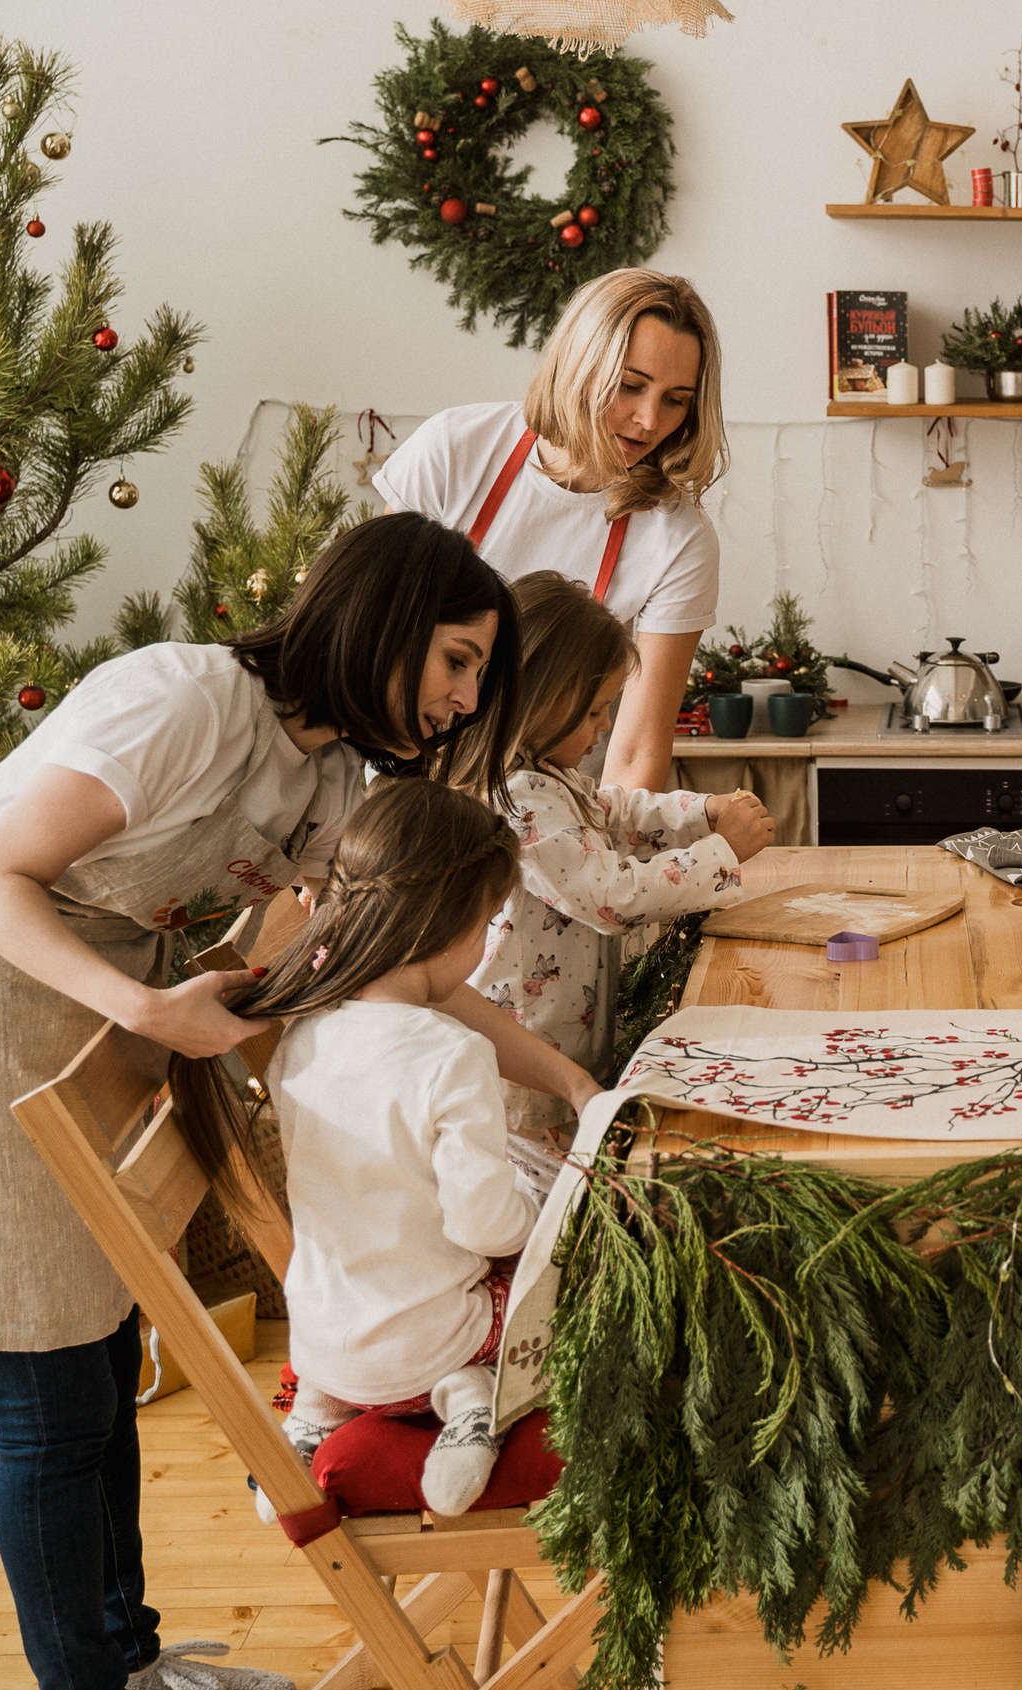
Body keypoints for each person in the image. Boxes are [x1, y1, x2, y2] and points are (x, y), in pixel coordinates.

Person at [0, 512, 568, 1690]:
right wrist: (146, 1013)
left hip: (101, 1031)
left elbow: (390, 965)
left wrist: (559, 1079)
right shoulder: (182, 700)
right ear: (389, 621)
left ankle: (131, 1665)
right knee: (52, 1406)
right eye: (458, 660)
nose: (465, 698)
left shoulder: (332, 774)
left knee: (103, 1368)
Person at [170, 781, 539, 1518]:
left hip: (327, 1345)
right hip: (431, 1347)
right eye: (489, 923)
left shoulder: (300, 1037)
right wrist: (535, 1211)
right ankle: (473, 1402)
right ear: (457, 922)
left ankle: (315, 1415)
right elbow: (484, 1227)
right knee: (550, 1281)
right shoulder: (452, 1053)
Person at [375, 267, 728, 792]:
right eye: (630, 386)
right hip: (405, 773)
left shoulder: (679, 539)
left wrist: (600, 862)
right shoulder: (454, 449)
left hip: (554, 814)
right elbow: (372, 635)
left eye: (676, 399)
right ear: (579, 365)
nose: (650, 420)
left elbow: (635, 753)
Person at [458, 575, 775, 1143]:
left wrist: (704, 811)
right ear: (539, 697)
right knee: (554, 1205)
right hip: (532, 1073)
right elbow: (611, 897)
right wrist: (721, 850)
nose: (604, 726)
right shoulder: (517, 795)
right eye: (594, 711)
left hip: (565, 1047)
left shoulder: (547, 776)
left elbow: (616, 810)